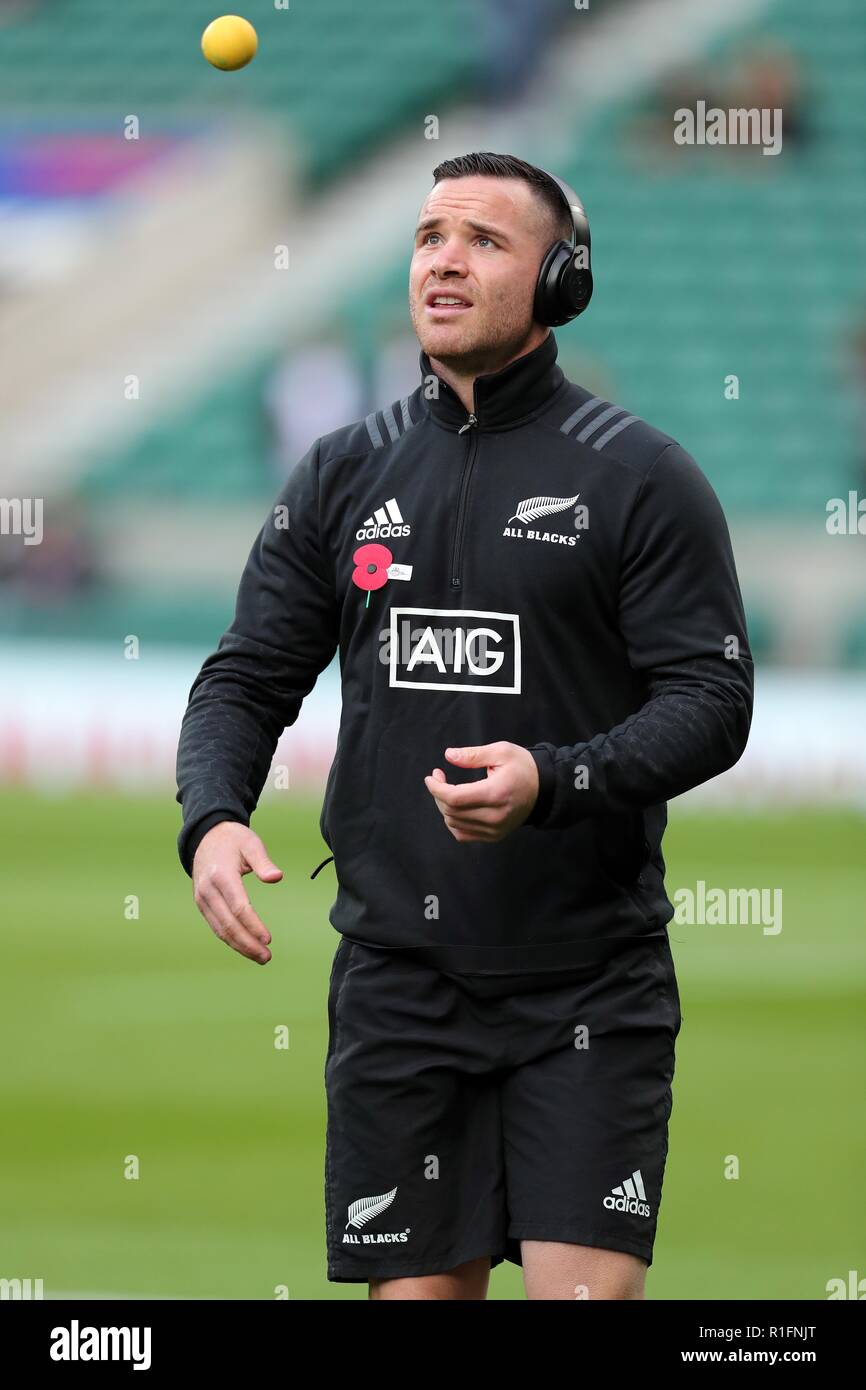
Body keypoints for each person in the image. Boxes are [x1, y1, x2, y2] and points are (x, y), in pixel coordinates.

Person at [175, 152, 754, 1300]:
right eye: (428, 235)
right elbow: (244, 675)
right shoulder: (342, 470)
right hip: (398, 981)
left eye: (484, 240)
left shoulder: (640, 476)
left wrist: (555, 779)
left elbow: (711, 703)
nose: (443, 258)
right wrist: (211, 818)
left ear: (559, 280)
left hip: (585, 984)